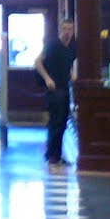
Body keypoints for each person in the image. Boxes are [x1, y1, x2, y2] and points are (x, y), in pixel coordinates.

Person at [35, 19, 77, 169]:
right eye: (65, 29)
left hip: (65, 88)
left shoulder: (71, 49)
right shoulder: (52, 45)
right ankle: (52, 156)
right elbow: (38, 62)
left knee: (62, 123)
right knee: (55, 123)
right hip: (54, 90)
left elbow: (68, 67)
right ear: (60, 30)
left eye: (70, 29)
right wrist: (47, 79)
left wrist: (74, 78)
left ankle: (57, 155)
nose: (67, 32)